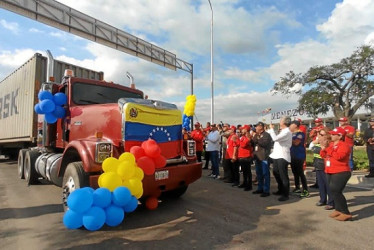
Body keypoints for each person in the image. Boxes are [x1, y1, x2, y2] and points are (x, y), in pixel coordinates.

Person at [320, 127, 352, 221]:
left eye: (334, 134)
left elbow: (339, 156)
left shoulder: (344, 145)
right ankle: (338, 209)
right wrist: (323, 148)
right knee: (332, 191)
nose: (331, 135)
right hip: (330, 170)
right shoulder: (331, 144)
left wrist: (328, 149)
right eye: (332, 134)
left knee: (336, 191)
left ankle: (346, 212)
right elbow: (323, 155)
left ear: (340, 136)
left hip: (341, 171)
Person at [268, 116, 293, 201]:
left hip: (283, 156)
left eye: (281, 121)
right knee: (275, 172)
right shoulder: (283, 131)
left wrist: (271, 129)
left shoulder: (287, 132)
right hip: (277, 155)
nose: (279, 122)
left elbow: (275, 138)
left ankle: (285, 193)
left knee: (283, 175)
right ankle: (280, 189)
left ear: (284, 122)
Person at [311, 127, 334, 210]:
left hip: (325, 166)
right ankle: (322, 199)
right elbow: (312, 148)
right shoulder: (318, 142)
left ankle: (331, 202)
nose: (319, 135)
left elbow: (325, 152)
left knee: (328, 184)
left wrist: (322, 146)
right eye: (319, 134)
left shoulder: (329, 143)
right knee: (321, 184)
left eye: (321, 134)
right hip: (318, 165)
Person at [289, 120, 309, 198]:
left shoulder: (300, 134)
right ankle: (297, 188)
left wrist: (288, 139)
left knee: (300, 173)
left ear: (296, 126)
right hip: (292, 156)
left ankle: (305, 190)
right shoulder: (291, 134)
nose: (290, 126)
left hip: (299, 156)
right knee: (295, 172)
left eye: (291, 124)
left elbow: (296, 143)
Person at [252, 122, 272, 197]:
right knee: (259, 173)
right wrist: (255, 138)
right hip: (257, 157)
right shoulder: (257, 135)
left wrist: (257, 139)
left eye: (257, 126)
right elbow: (253, 141)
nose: (256, 128)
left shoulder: (266, 135)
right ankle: (260, 188)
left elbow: (264, 143)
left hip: (264, 157)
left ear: (261, 127)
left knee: (265, 174)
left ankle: (266, 190)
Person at [309, 117, 325, 189]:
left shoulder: (323, 128)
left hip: (321, 145)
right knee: (316, 164)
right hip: (315, 144)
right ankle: (317, 183)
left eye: (318, 122)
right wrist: (314, 132)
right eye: (316, 122)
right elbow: (310, 136)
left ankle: (321, 183)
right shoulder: (314, 128)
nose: (317, 123)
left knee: (321, 167)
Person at [238, 125, 253, 191]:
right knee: (244, 171)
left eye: (243, 129)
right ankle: (245, 182)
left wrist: (239, 142)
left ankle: (249, 185)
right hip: (242, 155)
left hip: (246, 156)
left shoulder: (248, 137)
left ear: (246, 130)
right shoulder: (243, 137)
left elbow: (243, 145)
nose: (241, 130)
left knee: (247, 171)